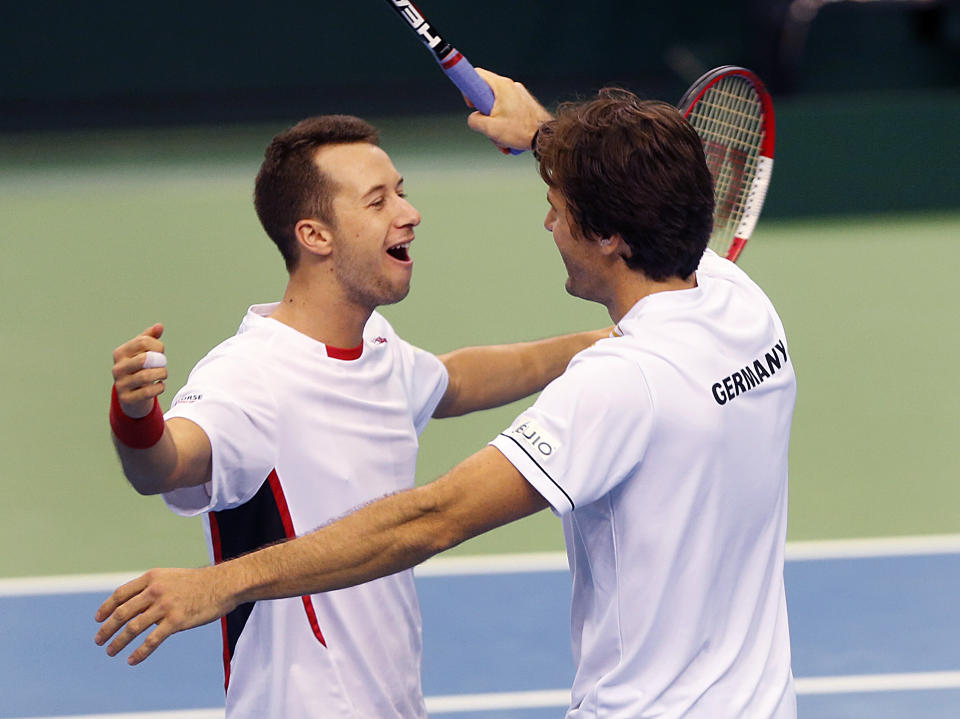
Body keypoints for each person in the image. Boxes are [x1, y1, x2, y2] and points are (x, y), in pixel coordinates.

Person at [98, 70, 798, 718]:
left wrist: (218, 584)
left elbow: (431, 517)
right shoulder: (740, 304)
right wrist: (544, 136)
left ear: (611, 235)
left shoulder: (619, 386)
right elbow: (169, 461)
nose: (549, 224)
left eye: (556, 208)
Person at [104, 112, 609, 719]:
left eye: (401, 190)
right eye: (378, 201)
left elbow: (455, 379)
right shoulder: (249, 377)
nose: (409, 212)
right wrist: (135, 415)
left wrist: (599, 342)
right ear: (316, 236)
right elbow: (166, 466)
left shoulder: (378, 349)